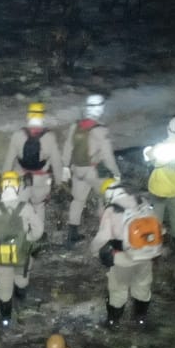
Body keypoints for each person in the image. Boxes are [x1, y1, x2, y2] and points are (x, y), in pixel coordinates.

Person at [88, 179, 161, 328]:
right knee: (142, 287)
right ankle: (140, 319)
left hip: (123, 258)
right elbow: (158, 228)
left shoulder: (112, 210)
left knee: (118, 290)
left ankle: (113, 321)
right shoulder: (143, 202)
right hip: (146, 255)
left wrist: (93, 250)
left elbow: (103, 237)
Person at [0, 171, 44, 327]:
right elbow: (38, 230)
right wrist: (27, 238)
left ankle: (5, 319)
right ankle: (21, 303)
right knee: (22, 280)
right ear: (17, 187)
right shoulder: (26, 207)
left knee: (4, 287)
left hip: (2, 256)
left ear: (1, 188)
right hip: (21, 254)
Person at [61, 94, 121, 245]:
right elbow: (107, 156)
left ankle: (71, 236)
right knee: (104, 199)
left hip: (77, 169)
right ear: (100, 108)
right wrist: (116, 172)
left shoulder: (75, 126)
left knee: (78, 200)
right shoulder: (100, 130)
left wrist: (65, 166)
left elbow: (68, 147)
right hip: (93, 171)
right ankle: (107, 236)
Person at [3, 101, 62, 222]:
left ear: (28, 116)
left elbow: (8, 161)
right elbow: (56, 163)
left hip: (20, 178)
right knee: (39, 205)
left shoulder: (17, 135)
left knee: (19, 206)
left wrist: (4, 181)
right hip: (41, 180)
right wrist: (59, 181)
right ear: (43, 117)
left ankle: (20, 231)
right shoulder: (50, 137)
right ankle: (37, 233)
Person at [144, 115, 175, 254]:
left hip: (159, 187)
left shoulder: (161, 147)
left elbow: (149, 155)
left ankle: (154, 240)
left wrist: (149, 150)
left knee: (157, 213)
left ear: (168, 129)